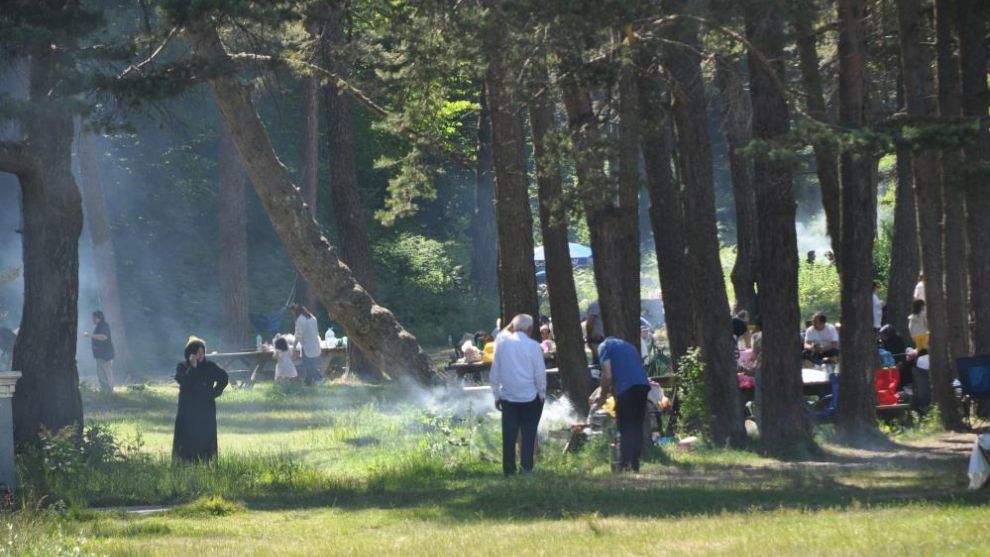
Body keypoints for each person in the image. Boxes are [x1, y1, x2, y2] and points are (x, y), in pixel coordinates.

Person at [489, 314, 546, 476]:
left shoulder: (502, 345)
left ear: (513, 327)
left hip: (508, 397)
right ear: (530, 328)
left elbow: (494, 374)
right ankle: (526, 468)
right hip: (530, 396)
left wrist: (496, 395)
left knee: (509, 435)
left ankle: (509, 470)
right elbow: (540, 375)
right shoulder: (534, 346)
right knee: (528, 433)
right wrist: (541, 394)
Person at [596, 337, 651, 472]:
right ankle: (635, 462)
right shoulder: (628, 345)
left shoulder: (603, 347)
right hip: (642, 385)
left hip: (627, 387)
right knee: (637, 424)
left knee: (625, 425)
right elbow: (625, 371)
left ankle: (624, 464)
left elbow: (607, 375)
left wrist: (602, 397)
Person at [173, 336, 229, 462]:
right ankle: (185, 462)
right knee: (187, 436)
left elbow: (224, 378)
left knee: (205, 435)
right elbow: (185, 382)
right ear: (190, 353)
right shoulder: (182, 366)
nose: (201, 355)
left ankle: (206, 461)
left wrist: (214, 393)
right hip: (187, 409)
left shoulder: (210, 366)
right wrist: (193, 367)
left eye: (202, 352)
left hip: (205, 408)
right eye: (198, 353)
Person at [83, 310, 115, 393]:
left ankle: (109, 391)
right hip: (100, 355)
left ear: (99, 318)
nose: (93, 319)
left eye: (94, 318)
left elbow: (104, 337)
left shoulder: (103, 325)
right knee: (101, 373)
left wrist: (90, 335)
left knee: (107, 373)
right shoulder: (99, 326)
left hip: (106, 355)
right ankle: (105, 390)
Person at [293, 305, 324, 385]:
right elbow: (316, 331)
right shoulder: (313, 318)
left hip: (307, 346)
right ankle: (307, 383)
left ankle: (319, 378)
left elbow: (297, 336)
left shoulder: (300, 320)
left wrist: (293, 348)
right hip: (315, 343)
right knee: (311, 364)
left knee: (308, 365)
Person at [585, 300, 605, 365]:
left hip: (598, 338)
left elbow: (590, 322)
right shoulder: (596, 305)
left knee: (599, 362)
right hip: (598, 339)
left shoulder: (595, 305)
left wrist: (588, 336)